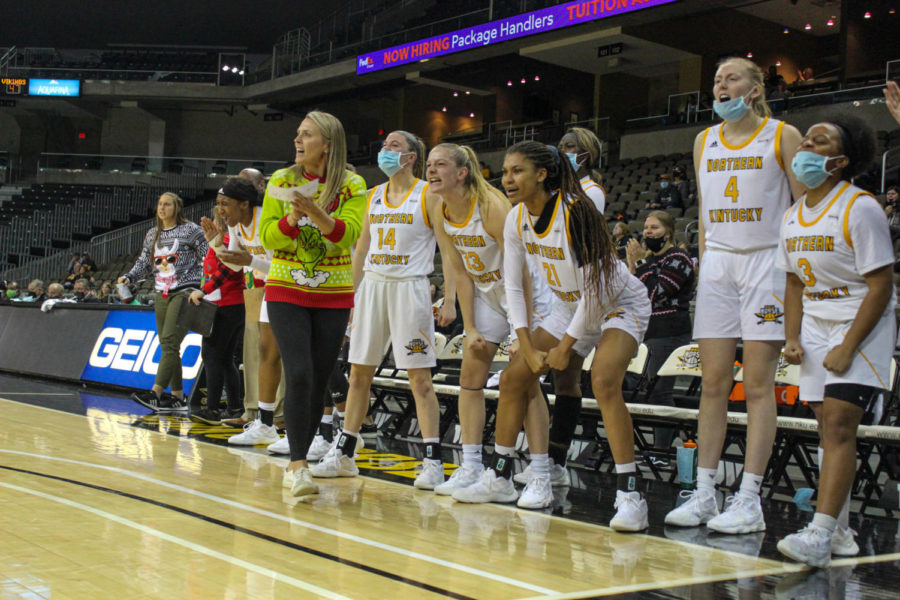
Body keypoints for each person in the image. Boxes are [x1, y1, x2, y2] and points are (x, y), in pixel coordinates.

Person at [456, 141, 651, 531]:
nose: (508, 179)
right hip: (567, 304)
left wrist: (565, 346)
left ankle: (631, 495)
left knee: (603, 381)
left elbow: (598, 290)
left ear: (542, 175)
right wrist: (526, 345)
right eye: (506, 171)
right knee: (514, 377)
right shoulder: (515, 219)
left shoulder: (577, 212)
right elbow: (514, 286)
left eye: (518, 171)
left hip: (616, 301)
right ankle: (503, 476)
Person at [664, 57, 803, 533]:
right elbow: (704, 213)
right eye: (717, 80)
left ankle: (749, 499)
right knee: (714, 384)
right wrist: (706, 267)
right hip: (719, 264)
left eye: (732, 78)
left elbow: (806, 208)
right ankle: (703, 493)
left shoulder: (783, 135)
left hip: (767, 262)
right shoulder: (704, 140)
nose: (721, 85)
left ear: (757, 86)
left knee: (760, 384)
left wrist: (797, 277)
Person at [311, 129, 457, 491]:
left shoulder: (428, 194)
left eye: (394, 146)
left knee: (420, 381)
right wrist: (349, 294)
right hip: (372, 287)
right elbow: (360, 252)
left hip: (411, 289)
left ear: (410, 157)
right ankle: (344, 453)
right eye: (384, 145)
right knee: (359, 374)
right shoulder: (372, 196)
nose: (385, 151)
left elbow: (448, 252)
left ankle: (433, 461)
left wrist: (450, 298)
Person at [776, 114, 890, 567]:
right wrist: (792, 337)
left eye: (817, 142)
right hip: (816, 321)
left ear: (839, 161)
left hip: (860, 318)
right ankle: (840, 531)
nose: (804, 146)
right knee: (827, 430)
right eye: (804, 139)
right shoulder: (791, 214)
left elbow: (881, 286)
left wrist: (848, 345)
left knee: (841, 425)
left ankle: (820, 534)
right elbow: (792, 284)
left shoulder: (860, 207)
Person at [427, 142, 555, 507]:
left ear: (462, 173)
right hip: (486, 292)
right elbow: (460, 270)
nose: (431, 171)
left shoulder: (493, 208)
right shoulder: (439, 207)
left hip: (526, 293)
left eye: (440, 165)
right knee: (471, 372)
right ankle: (469, 465)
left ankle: (539, 473)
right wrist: (471, 329)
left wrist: (520, 332)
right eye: (429, 166)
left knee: (524, 379)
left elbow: (524, 273)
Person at [259, 111, 367, 497]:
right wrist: (291, 219)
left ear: (328, 143)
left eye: (307, 135)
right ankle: (298, 465)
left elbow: (346, 236)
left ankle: (305, 454)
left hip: (335, 294)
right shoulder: (281, 181)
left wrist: (317, 212)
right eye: (297, 134)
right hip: (286, 288)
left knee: (320, 378)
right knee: (300, 372)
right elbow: (269, 237)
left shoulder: (353, 184)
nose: (298, 141)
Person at [119, 192, 208, 412]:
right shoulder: (152, 234)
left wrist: (205, 287)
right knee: (170, 346)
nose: (162, 208)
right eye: (159, 204)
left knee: (169, 342)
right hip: (162, 293)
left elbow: (208, 257)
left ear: (177, 208)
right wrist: (129, 277)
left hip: (185, 291)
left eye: (167, 204)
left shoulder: (191, 230)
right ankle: (177, 398)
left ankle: (155, 393)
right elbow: (143, 262)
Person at [625, 211, 695, 464]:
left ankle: (662, 452)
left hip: (670, 331)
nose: (647, 232)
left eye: (653, 227)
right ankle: (657, 447)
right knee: (645, 389)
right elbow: (633, 294)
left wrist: (639, 265)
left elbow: (656, 293)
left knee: (660, 390)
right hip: (647, 331)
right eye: (645, 227)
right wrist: (634, 266)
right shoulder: (650, 260)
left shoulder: (679, 258)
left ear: (668, 231)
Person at [188, 196, 250, 425]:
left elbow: (227, 271)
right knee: (225, 359)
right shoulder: (222, 241)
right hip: (233, 305)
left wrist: (203, 290)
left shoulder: (225, 241)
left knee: (212, 356)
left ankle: (212, 409)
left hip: (225, 305)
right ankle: (234, 406)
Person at [558, 126, 606, 213]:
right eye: (560, 147)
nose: (562, 151)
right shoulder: (559, 187)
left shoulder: (592, 191)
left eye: (569, 146)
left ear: (586, 154)